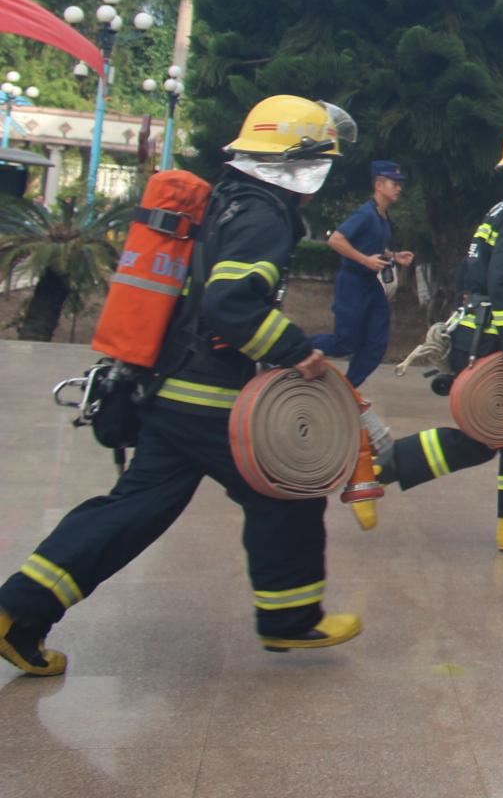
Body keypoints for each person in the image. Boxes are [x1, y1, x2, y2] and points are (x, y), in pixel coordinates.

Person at [0, 95, 363, 676]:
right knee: (285, 490)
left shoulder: (227, 202)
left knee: (137, 507)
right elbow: (229, 304)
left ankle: (17, 610)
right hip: (209, 396)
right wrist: (297, 353)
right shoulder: (264, 215)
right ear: (301, 165)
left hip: (169, 387)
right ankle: (290, 619)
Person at [378, 120, 503, 553]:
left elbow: (474, 274)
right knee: (486, 437)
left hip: (478, 327)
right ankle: (381, 466)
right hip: (493, 334)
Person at [311, 160, 415, 386]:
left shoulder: (382, 216)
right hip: (352, 283)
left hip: (370, 285)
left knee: (376, 345)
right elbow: (335, 240)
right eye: (393, 183)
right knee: (345, 344)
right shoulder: (365, 214)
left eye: (399, 184)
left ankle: (346, 390)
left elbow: (370, 245)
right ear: (378, 185)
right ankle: (295, 346)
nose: (398, 188)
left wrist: (393, 255)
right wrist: (365, 260)